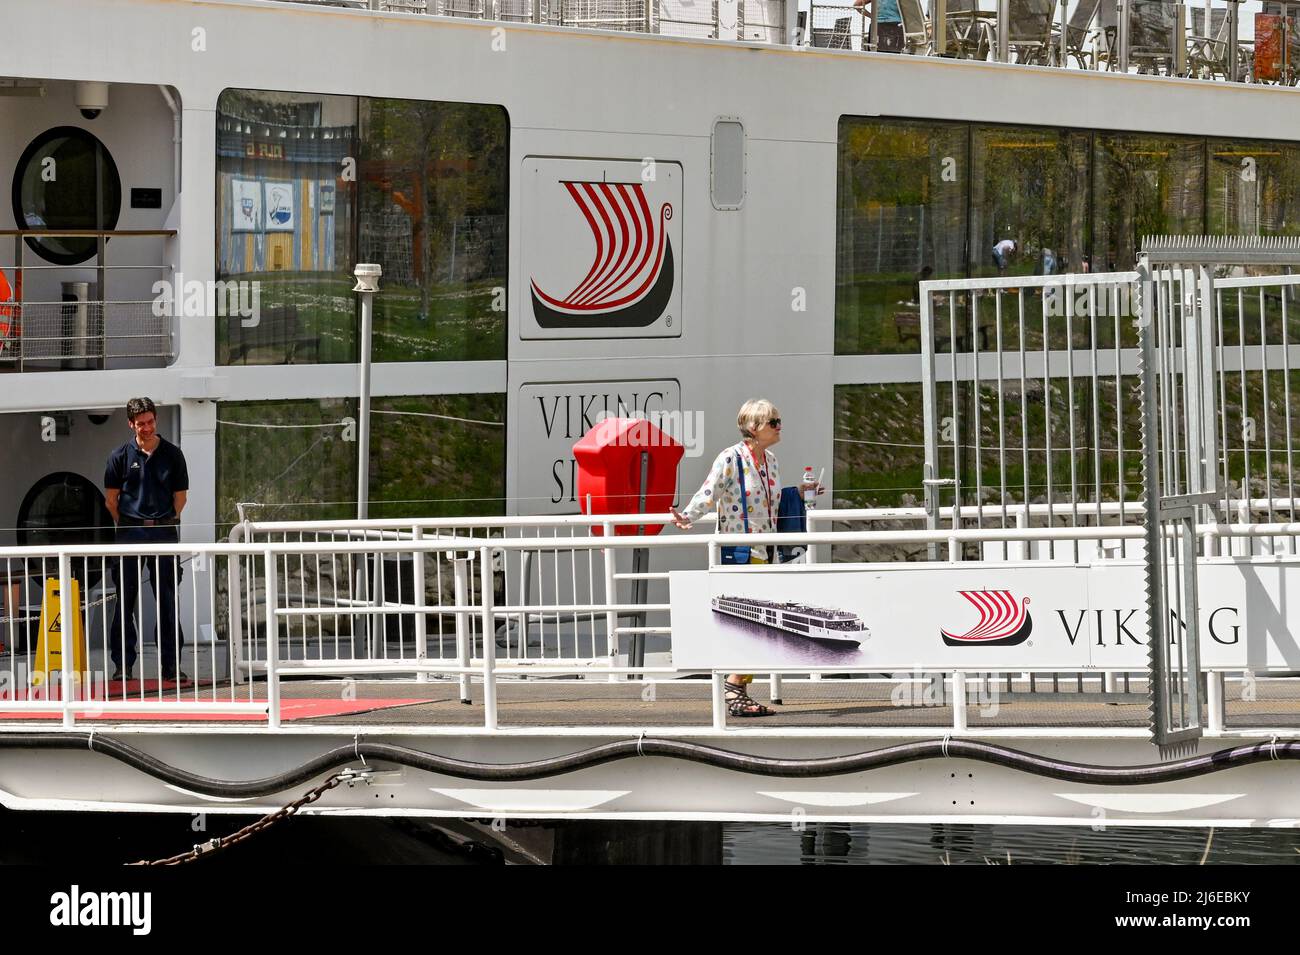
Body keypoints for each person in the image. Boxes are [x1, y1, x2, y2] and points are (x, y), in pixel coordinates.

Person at [669, 399, 823, 717]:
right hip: (741, 553)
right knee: (755, 625)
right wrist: (686, 516)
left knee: (760, 626)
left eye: (778, 421)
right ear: (753, 428)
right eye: (773, 422)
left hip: (765, 553)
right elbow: (709, 492)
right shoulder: (731, 458)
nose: (779, 427)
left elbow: (774, 501)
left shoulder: (771, 461)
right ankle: (734, 687)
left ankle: (737, 688)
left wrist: (800, 491)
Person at [104, 397, 189, 684]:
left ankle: (171, 667)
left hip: (164, 532)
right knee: (124, 601)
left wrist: (164, 520)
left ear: (156, 420)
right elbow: (111, 501)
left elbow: (181, 499)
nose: (147, 427)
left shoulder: (173, 455)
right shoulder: (119, 456)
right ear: (131, 424)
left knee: (167, 600)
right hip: (129, 533)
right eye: (141, 424)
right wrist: (129, 524)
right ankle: (123, 666)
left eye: (151, 422)